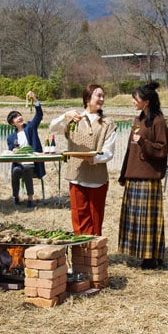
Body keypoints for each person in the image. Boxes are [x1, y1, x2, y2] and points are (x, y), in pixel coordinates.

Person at [50, 83, 116, 235]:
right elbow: (53, 128)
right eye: (98, 95)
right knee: (79, 219)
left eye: (103, 96)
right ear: (87, 98)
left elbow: (109, 152)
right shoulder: (74, 119)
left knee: (95, 219)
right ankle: (81, 255)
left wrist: (92, 159)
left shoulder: (107, 123)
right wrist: (65, 116)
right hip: (76, 176)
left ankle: (95, 253)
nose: (102, 99)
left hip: (97, 178)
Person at [118, 81, 168, 270]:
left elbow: (162, 149)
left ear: (146, 102)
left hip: (149, 177)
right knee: (136, 218)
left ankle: (152, 257)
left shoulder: (159, 121)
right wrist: (124, 173)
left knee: (148, 220)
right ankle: (140, 252)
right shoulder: (138, 120)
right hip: (134, 175)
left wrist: (145, 143)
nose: (133, 101)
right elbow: (129, 151)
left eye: (135, 98)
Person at [6, 90, 46, 208]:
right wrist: (13, 151)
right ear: (12, 123)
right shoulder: (11, 137)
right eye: (15, 117)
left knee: (27, 169)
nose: (19, 117)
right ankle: (15, 196)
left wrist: (35, 100)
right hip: (19, 163)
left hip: (32, 162)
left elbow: (39, 115)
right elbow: (11, 151)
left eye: (19, 115)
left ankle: (30, 199)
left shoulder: (30, 127)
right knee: (15, 171)